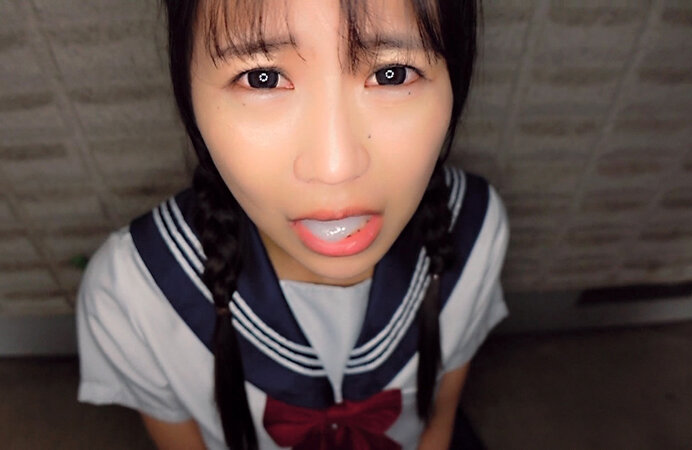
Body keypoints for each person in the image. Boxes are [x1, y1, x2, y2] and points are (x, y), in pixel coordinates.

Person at [76, 0, 509, 449]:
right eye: (262, 78)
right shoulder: (134, 293)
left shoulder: (475, 229)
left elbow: (439, 420)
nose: (335, 168)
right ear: (187, 92)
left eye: (392, 74)